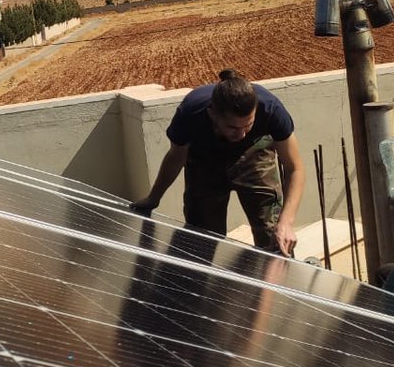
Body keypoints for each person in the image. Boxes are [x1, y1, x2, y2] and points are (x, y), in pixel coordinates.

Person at [130, 69, 305, 256]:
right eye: (233, 127)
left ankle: (275, 279)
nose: (241, 134)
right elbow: (176, 157)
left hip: (254, 155)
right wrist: (153, 198)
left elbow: (295, 168)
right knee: (201, 238)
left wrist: (286, 223)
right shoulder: (190, 112)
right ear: (212, 114)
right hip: (205, 158)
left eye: (248, 125)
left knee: (274, 236)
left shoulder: (271, 108)